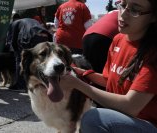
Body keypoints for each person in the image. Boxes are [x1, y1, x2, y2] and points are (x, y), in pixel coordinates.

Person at [60, 0, 157, 132]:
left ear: (153, 16)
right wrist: (80, 72)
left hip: (147, 124)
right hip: (125, 118)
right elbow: (109, 79)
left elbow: (131, 106)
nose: (123, 14)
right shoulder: (118, 39)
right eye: (122, 5)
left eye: (135, 9)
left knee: (93, 118)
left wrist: (78, 84)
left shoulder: (153, 52)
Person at [8, 18, 52, 91]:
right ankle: (43, 83)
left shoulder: (14, 24)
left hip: (30, 37)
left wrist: (16, 52)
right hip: (45, 34)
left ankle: (21, 86)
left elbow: (13, 40)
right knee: (42, 60)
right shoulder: (29, 20)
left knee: (21, 60)